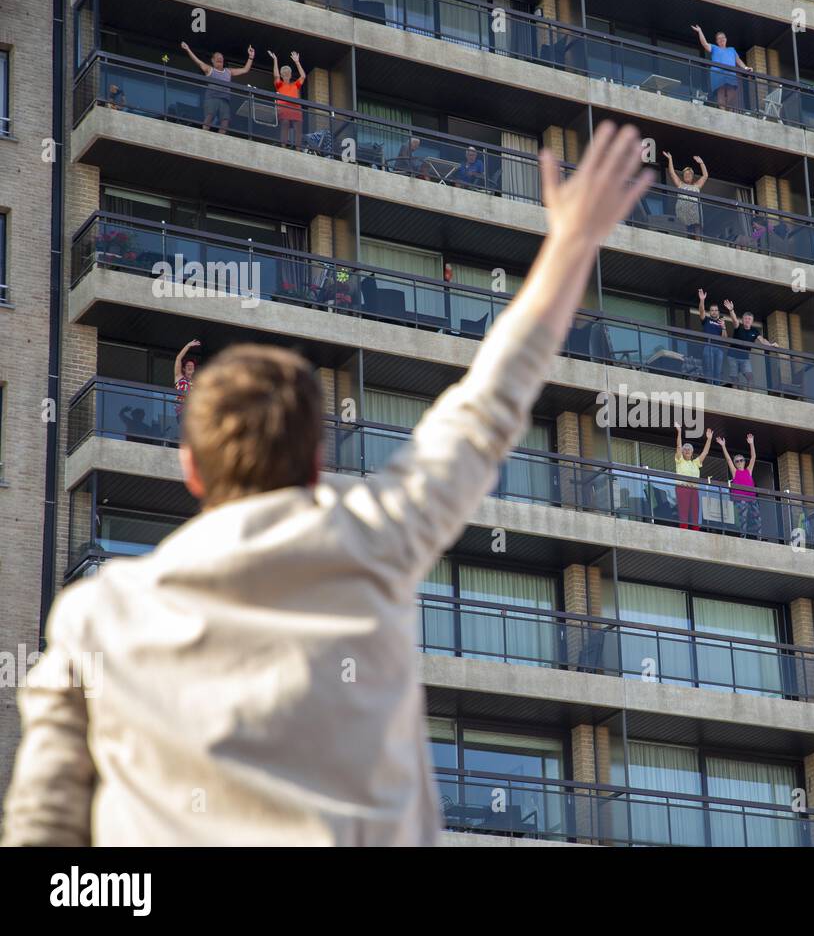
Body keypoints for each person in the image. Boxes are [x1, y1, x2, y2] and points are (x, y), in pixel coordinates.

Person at [0, 119, 653, 846]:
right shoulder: (377, 537)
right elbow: (487, 406)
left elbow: (44, 830)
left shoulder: (97, 620)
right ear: (317, 463)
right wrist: (571, 241)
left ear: (190, 468)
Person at [181, 42, 255, 134]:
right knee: (210, 116)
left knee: (225, 121)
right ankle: (203, 135)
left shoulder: (228, 71)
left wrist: (251, 57)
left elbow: (245, 69)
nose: (219, 58)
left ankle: (220, 138)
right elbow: (198, 62)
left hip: (225, 100)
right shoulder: (210, 70)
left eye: (221, 57)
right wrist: (188, 49)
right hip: (212, 98)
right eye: (217, 57)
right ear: (212, 60)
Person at [691, 25, 752, 111]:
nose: (721, 39)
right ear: (717, 41)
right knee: (721, 93)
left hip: (730, 74)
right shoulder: (714, 48)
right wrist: (700, 31)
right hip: (718, 73)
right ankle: (723, 111)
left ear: (726, 39)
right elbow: (704, 44)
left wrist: (746, 68)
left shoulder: (731, 49)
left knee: (732, 93)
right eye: (719, 38)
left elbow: (738, 60)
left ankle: (725, 108)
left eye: (723, 37)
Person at [727, 309, 780, 390]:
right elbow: (734, 320)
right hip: (732, 356)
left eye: (749, 319)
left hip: (745, 358)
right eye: (746, 318)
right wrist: (731, 310)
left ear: (752, 321)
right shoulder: (739, 327)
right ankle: (736, 396)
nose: (747, 320)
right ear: (743, 320)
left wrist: (770, 345)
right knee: (735, 378)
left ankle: (750, 397)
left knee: (750, 378)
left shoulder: (754, 331)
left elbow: (762, 340)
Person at [673, 423, 713, 530]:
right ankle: (683, 528)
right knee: (684, 510)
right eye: (685, 449)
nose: (686, 450)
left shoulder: (695, 463)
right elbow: (678, 446)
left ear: (692, 452)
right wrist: (679, 432)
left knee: (695, 511)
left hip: (694, 489)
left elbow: (705, 452)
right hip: (682, 487)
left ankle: (695, 530)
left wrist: (709, 439)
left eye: (689, 449)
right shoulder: (680, 460)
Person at [719, 434, 759, 537]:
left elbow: (753, 457)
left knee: (757, 518)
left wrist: (751, 443)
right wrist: (723, 445)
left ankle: (759, 537)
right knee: (743, 519)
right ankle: (743, 537)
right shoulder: (735, 472)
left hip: (752, 498)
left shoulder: (748, 470)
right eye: (737, 461)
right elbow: (728, 459)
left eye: (741, 460)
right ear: (735, 463)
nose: (739, 462)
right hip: (741, 499)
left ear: (744, 462)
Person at [268, 49, 306, 149]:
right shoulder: (279, 85)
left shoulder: (295, 85)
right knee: (285, 124)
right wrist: (275, 60)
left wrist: (297, 62)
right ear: (281, 75)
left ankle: (298, 149)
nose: (286, 74)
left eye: (288, 72)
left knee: (298, 128)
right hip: (284, 109)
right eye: (284, 73)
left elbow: (303, 76)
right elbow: (275, 75)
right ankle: (283, 147)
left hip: (296, 110)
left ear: (290, 74)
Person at [664, 152, 706, 238]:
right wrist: (670, 159)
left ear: (692, 176)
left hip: (694, 212)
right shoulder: (680, 184)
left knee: (696, 228)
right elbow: (672, 173)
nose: (687, 175)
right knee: (684, 229)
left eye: (689, 174)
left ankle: (697, 244)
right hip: (682, 211)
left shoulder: (696, 186)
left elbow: (705, 176)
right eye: (685, 174)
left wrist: (701, 163)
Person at [692, 288, 726, 383]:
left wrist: (723, 327)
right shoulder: (707, 320)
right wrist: (702, 300)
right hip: (708, 346)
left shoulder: (721, 322)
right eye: (712, 310)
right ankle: (710, 387)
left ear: (718, 312)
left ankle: (717, 388)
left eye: (716, 310)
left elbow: (725, 339)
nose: (714, 312)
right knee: (709, 370)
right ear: (710, 312)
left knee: (718, 372)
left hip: (719, 349)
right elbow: (701, 311)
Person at [173, 338, 201, 434]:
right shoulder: (179, 378)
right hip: (182, 411)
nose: (190, 367)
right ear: (184, 369)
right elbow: (178, 359)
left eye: (192, 366)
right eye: (188, 366)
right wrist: (188, 346)